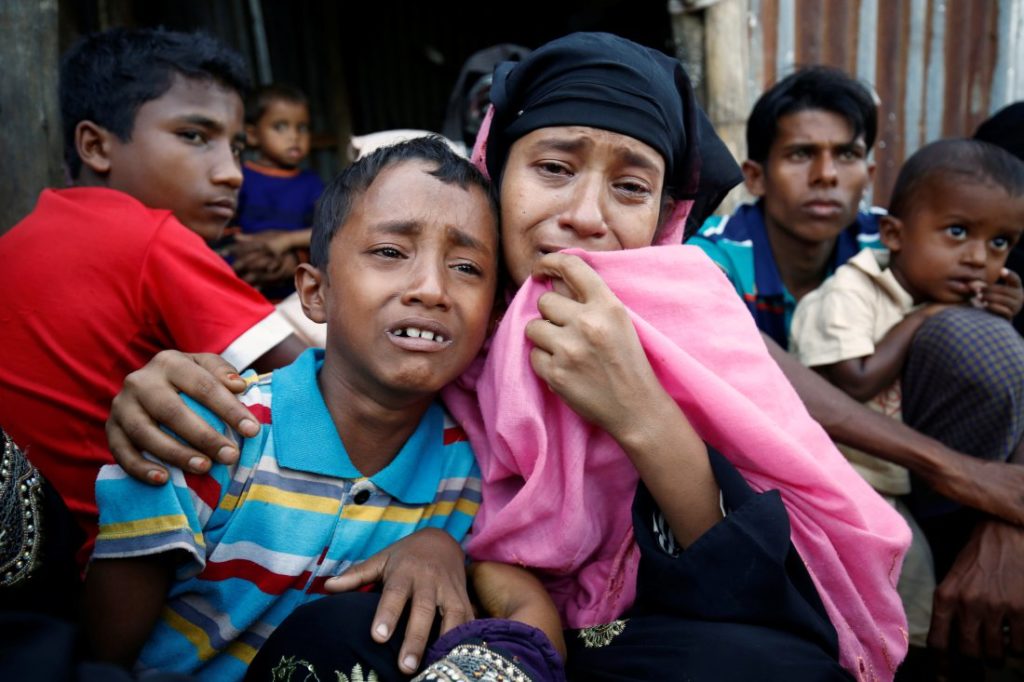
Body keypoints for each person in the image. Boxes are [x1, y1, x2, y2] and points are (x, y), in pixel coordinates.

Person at [105, 33, 909, 681]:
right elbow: (318, 349)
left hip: (653, 628)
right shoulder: (447, 322)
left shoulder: (685, 318)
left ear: (666, 217)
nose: (585, 217)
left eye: (631, 189)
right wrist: (165, 382)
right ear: (495, 175)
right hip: (501, 628)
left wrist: (642, 414)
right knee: (353, 638)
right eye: (553, 169)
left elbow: (761, 592)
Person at [85, 137, 506, 680]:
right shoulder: (207, 431)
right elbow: (101, 659)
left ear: (493, 319)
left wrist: (443, 548)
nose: (431, 288)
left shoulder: (469, 476)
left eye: (467, 267)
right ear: (315, 292)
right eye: (390, 252)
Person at [689, 67, 1024, 663]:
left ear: (870, 173)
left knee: (975, 331)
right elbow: (768, 383)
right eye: (800, 154)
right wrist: (958, 470)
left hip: (904, 470)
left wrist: (995, 302)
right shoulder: (714, 260)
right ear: (756, 176)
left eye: (847, 154)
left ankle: (960, 550)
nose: (826, 176)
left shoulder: (898, 240)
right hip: (770, 480)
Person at [0, 28, 305, 565]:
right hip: (116, 567)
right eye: (194, 136)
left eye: (236, 146)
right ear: (96, 146)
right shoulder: (150, 237)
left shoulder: (20, 238)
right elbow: (319, 384)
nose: (231, 172)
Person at [789, 138, 1024, 652]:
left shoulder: (934, 292)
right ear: (893, 234)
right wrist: (924, 320)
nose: (979, 258)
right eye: (958, 232)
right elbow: (853, 380)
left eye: (1001, 242)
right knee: (900, 603)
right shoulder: (849, 292)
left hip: (900, 478)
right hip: (850, 479)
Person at [224, 83, 324, 299]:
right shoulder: (240, 178)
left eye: (302, 127)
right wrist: (252, 257)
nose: (294, 136)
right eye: (280, 127)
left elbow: (328, 230)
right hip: (246, 281)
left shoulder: (311, 183)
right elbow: (224, 230)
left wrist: (286, 242)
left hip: (296, 292)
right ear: (252, 135)